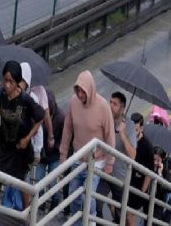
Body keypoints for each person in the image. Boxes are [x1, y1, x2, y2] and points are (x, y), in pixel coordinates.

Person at [0, 61, 45, 226]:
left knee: (20, 181)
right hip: (3, 141)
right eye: (5, 80)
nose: (7, 85)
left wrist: (28, 138)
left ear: (17, 83)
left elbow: (40, 117)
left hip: (20, 146)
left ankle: (27, 212)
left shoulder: (26, 100)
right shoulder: (2, 93)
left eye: (11, 82)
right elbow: (2, 109)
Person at [59, 70, 116, 226]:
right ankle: (79, 223)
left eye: (83, 91)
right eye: (77, 90)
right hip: (78, 156)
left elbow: (110, 135)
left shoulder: (103, 106)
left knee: (87, 196)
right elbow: (67, 129)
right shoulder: (73, 102)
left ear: (90, 90)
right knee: (73, 194)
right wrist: (63, 153)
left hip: (96, 160)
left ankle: (90, 221)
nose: (80, 94)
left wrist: (110, 161)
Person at [96, 92, 137, 223]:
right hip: (105, 170)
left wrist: (123, 133)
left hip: (120, 176)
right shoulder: (106, 119)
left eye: (115, 104)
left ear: (122, 108)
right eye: (110, 102)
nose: (111, 105)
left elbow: (132, 155)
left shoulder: (129, 125)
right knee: (95, 202)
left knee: (121, 213)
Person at [35, 88, 65, 212]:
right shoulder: (41, 113)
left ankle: (55, 204)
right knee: (38, 179)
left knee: (53, 182)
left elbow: (64, 138)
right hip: (43, 154)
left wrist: (56, 147)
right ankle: (41, 204)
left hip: (54, 155)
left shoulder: (62, 117)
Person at [128, 112, 155, 226]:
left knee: (129, 213)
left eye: (136, 130)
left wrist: (142, 191)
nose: (133, 133)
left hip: (138, 184)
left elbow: (149, 172)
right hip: (126, 178)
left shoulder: (148, 147)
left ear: (141, 128)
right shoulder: (127, 138)